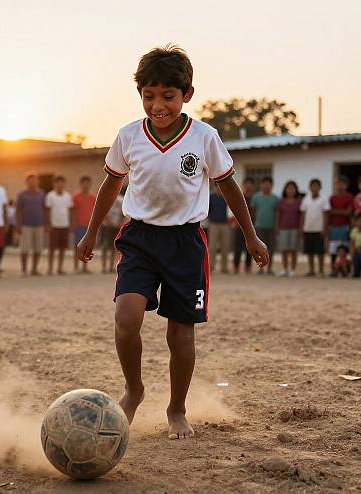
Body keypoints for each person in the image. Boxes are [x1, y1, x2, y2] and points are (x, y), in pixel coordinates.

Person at [76, 45, 268, 439]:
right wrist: (92, 231)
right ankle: (134, 390)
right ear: (140, 95)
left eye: (168, 96)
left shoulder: (204, 137)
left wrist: (250, 235)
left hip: (185, 244)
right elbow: (111, 184)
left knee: (180, 335)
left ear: (187, 95)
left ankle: (177, 408)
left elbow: (228, 185)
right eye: (149, 96)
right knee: (126, 319)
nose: (158, 105)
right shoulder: (129, 136)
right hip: (140, 239)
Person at [16, 174, 45, 276]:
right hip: (25, 225)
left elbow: (44, 209)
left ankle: (34, 269)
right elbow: (18, 211)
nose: (33, 182)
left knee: (38, 248)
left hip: (39, 224)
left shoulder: (41, 194)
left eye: (35, 180)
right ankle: (24, 270)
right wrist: (18, 225)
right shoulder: (22, 195)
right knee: (25, 249)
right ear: (26, 182)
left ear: (38, 182)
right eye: (30, 180)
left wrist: (45, 223)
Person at [300, 178, 329, 277]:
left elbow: (326, 214)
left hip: (319, 229)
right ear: (310, 187)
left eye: (317, 186)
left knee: (320, 251)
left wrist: (325, 228)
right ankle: (311, 270)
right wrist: (302, 227)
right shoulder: (306, 200)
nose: (314, 188)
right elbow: (303, 214)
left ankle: (321, 270)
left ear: (320, 187)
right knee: (309, 251)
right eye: (313, 186)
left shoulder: (324, 199)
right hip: (308, 228)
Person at [251, 176, 279, 275]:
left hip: (271, 227)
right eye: (264, 183)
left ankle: (269, 268)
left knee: (271, 248)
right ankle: (261, 268)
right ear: (261, 185)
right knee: (259, 250)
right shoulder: (256, 197)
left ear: (271, 185)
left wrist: (276, 226)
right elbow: (253, 212)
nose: (266, 186)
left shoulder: (275, 198)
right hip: (259, 226)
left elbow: (277, 214)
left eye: (268, 184)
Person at [45, 175, 73, 275]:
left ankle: (60, 268)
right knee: (52, 248)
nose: (60, 185)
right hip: (54, 226)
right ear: (54, 184)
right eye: (58, 183)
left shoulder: (68, 196)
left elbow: (70, 211)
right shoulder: (50, 196)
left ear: (64, 184)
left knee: (62, 248)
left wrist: (70, 224)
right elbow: (47, 211)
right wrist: (48, 224)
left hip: (64, 225)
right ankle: (50, 268)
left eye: (62, 183)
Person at [328, 176, 353, 276]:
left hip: (345, 226)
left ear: (346, 186)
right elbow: (329, 212)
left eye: (342, 184)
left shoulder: (350, 197)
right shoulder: (332, 198)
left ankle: (346, 270)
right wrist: (343, 211)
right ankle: (334, 270)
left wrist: (335, 211)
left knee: (345, 249)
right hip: (333, 226)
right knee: (333, 249)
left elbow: (349, 212)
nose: (340, 186)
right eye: (338, 184)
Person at [276, 180, 302, 277]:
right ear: (285, 190)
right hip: (283, 228)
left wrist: (300, 228)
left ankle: (293, 269)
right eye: (288, 188)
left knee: (293, 250)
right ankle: (285, 269)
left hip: (295, 228)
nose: (290, 190)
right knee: (284, 250)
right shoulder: (281, 202)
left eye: (292, 188)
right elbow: (278, 215)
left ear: (296, 190)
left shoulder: (299, 202)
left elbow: (301, 216)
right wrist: (277, 227)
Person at [232, 177, 255, 274]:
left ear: (253, 186)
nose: (248, 186)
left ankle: (248, 267)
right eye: (247, 184)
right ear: (243, 185)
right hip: (239, 226)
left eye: (250, 184)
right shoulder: (240, 196)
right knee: (237, 247)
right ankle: (236, 267)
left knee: (250, 247)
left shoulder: (255, 198)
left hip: (252, 226)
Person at [73, 176, 95, 273]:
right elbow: (72, 211)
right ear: (81, 184)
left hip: (89, 226)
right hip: (79, 225)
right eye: (84, 183)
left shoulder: (93, 198)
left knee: (87, 248)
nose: (86, 185)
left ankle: (85, 267)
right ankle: (76, 267)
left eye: (88, 183)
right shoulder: (76, 197)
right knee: (77, 246)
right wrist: (73, 224)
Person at [208, 181, 230, 273]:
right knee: (212, 247)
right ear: (215, 187)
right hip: (213, 224)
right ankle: (211, 267)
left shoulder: (227, 197)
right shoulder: (211, 197)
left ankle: (224, 268)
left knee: (225, 247)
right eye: (217, 187)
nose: (219, 188)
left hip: (225, 224)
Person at [101, 188, 125, 273]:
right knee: (105, 246)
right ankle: (103, 267)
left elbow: (123, 213)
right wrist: (109, 221)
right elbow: (103, 211)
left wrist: (119, 222)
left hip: (116, 226)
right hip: (106, 226)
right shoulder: (107, 197)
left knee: (114, 247)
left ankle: (111, 266)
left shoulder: (121, 199)